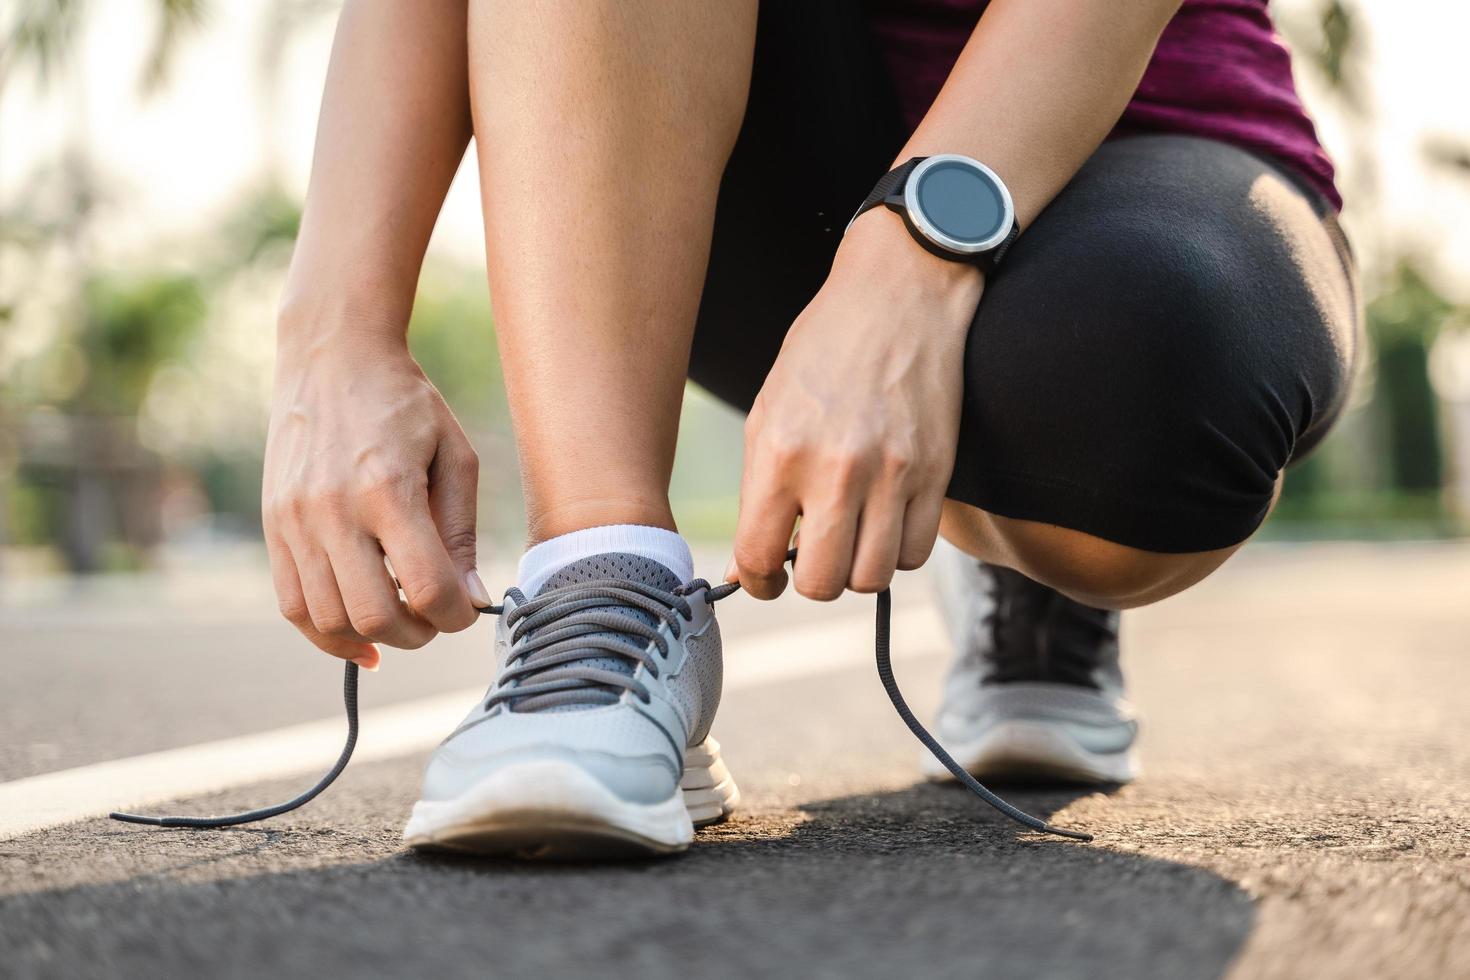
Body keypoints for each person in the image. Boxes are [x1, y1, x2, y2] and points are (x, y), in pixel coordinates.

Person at [264, 0, 1357, 857]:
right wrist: (335, 339)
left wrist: (909, 267)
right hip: (724, 144)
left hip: (1144, 137)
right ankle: (603, 577)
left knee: (1140, 397)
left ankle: (1018, 552)